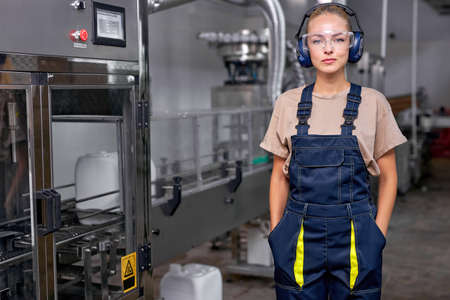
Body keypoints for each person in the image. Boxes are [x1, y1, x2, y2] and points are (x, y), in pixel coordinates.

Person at [259, 3, 407, 299]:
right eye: (318, 40)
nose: (328, 48)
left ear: (353, 45)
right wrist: (277, 233)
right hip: (299, 235)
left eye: (338, 39)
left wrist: (378, 234)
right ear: (305, 48)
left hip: (356, 236)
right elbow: (279, 175)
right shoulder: (287, 103)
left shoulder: (373, 102)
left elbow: (389, 177)